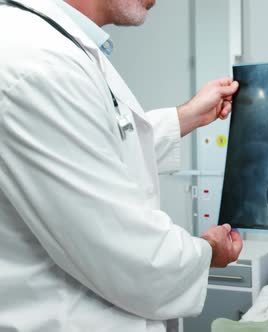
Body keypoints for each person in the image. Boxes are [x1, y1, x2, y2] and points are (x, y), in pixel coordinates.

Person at [0, 0, 242, 331]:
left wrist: (187, 115)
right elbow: (136, 260)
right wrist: (207, 252)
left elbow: (102, 148)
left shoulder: (55, 44)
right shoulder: (38, 63)